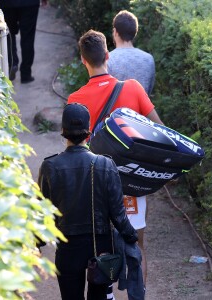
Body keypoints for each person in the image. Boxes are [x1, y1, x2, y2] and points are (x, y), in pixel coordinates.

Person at [67, 29, 164, 298]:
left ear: (83, 61)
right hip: (130, 184)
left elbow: (74, 148)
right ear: (107, 56)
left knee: (100, 248)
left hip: (94, 185)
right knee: (137, 247)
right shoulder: (132, 88)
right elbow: (160, 130)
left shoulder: (75, 100)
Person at [38, 103, 138, 300]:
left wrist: (37, 242)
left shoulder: (50, 166)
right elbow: (117, 213)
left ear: (63, 131)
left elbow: (42, 212)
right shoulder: (105, 164)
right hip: (99, 246)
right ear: (89, 132)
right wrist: (130, 236)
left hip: (67, 245)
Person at [0, 0, 47, 83]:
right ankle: (26, 74)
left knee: (8, 33)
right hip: (29, 3)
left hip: (6, 3)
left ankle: (12, 63)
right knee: (28, 37)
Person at [108, 10, 156, 96]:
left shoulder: (108, 59)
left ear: (115, 32)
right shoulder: (148, 59)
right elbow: (148, 90)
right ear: (135, 32)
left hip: (115, 109)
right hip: (143, 109)